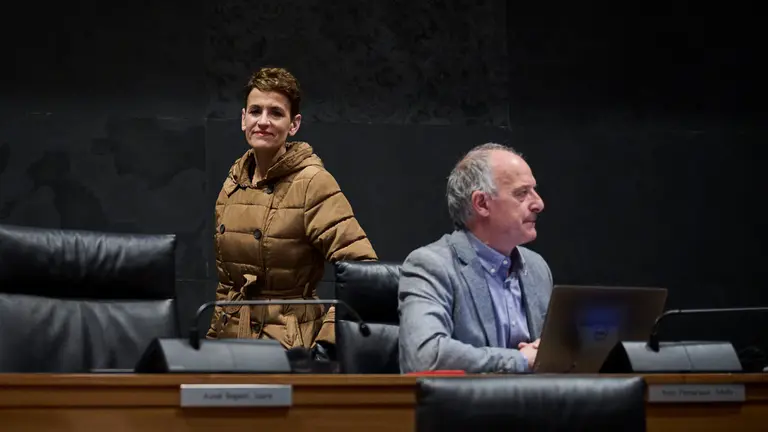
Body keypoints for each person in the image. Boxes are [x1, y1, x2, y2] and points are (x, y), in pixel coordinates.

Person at [207, 67, 377, 357]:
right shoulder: (233, 182)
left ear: (293, 124)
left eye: (275, 113)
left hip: (290, 350)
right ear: (243, 118)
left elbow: (365, 271)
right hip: (231, 344)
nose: (263, 121)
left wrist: (328, 343)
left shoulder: (311, 182)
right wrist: (211, 340)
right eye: (255, 111)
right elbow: (227, 285)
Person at [398, 143, 552, 373]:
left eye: (534, 190)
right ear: (481, 203)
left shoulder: (537, 268)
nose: (539, 203)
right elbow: (425, 356)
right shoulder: (431, 266)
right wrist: (519, 360)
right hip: (465, 407)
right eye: (522, 193)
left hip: (536, 406)